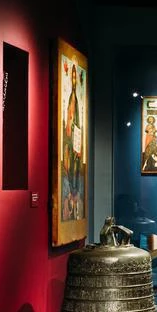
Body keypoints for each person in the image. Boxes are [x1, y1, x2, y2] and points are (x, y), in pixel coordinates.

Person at [61, 62, 84, 218]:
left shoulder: (76, 101)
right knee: (69, 166)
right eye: (73, 77)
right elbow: (69, 120)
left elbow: (76, 121)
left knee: (75, 167)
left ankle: (74, 189)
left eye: (76, 78)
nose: (74, 80)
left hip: (75, 141)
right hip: (69, 140)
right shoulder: (71, 98)